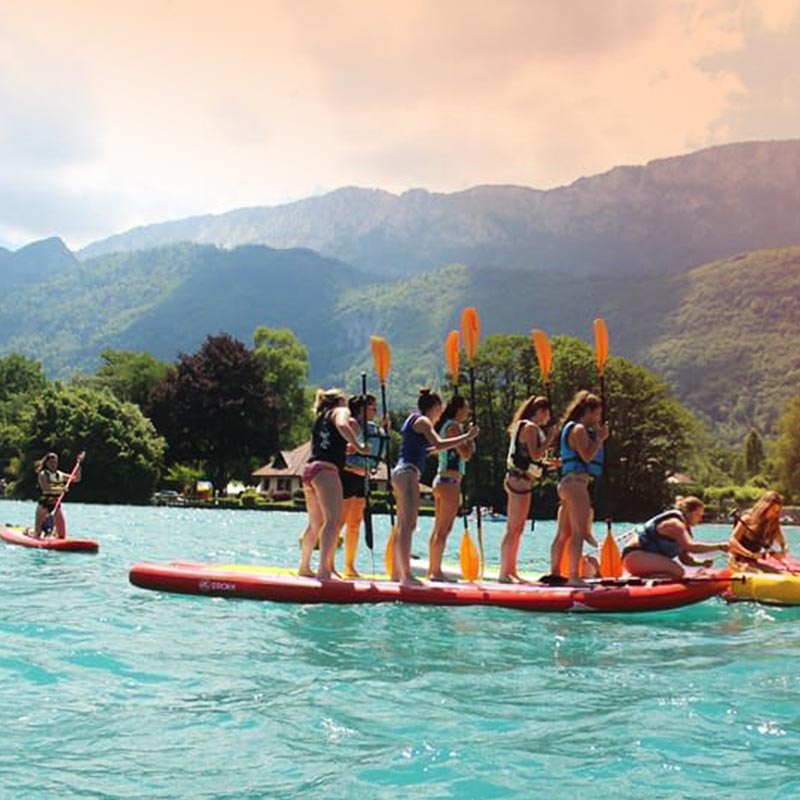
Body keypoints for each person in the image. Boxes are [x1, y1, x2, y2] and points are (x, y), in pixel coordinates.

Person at [392, 389, 479, 585]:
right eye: (440, 408)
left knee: (404, 525)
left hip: (402, 472)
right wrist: (467, 436)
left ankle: (397, 573)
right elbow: (439, 444)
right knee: (408, 525)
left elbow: (428, 447)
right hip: (408, 472)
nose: (441, 413)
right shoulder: (423, 421)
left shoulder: (414, 421)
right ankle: (406, 576)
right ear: (436, 407)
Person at [298, 389, 368, 579]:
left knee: (315, 523)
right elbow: (343, 425)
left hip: (310, 470)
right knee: (332, 521)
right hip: (326, 471)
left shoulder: (320, 418)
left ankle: (304, 567)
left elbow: (325, 445)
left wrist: (348, 448)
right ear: (339, 400)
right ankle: (324, 570)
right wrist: (360, 446)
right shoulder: (340, 411)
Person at [547, 391, 608, 586]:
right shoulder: (580, 430)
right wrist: (600, 438)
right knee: (578, 532)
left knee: (563, 533)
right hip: (576, 485)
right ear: (588, 411)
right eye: (597, 413)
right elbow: (587, 456)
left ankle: (555, 573)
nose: (598, 418)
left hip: (567, 484)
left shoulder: (572, 427)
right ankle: (574, 577)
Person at [498, 396, 559, 583]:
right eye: (547, 412)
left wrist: (550, 465)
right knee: (514, 528)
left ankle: (510, 571)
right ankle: (505, 573)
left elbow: (530, 458)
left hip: (518, 479)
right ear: (541, 411)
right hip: (519, 481)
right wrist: (550, 438)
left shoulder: (523, 426)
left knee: (516, 528)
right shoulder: (531, 427)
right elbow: (536, 453)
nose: (549, 417)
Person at [338, 393, 387, 577]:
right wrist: (354, 447)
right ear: (362, 409)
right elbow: (338, 448)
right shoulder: (352, 423)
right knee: (340, 521)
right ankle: (328, 564)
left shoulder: (372, 428)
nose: (375, 411)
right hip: (347, 475)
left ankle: (350, 566)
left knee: (355, 524)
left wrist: (384, 430)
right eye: (372, 408)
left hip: (362, 477)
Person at [621, 496, 728, 578]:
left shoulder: (684, 528)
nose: (700, 519)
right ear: (689, 513)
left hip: (641, 560)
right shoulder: (675, 524)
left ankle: (644, 577)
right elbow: (691, 547)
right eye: (698, 515)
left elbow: (684, 558)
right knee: (677, 572)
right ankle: (641, 582)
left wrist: (701, 563)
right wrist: (719, 546)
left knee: (678, 571)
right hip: (634, 558)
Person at [427, 395, 474, 581]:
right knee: (443, 529)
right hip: (450, 482)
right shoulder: (454, 427)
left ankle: (433, 569)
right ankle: (436, 572)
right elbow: (466, 454)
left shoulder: (447, 426)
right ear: (459, 408)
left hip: (442, 480)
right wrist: (470, 438)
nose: (468, 411)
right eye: (466, 407)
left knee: (439, 528)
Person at [727, 490, 788, 570]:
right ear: (765, 507)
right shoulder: (747, 519)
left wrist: (783, 551)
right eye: (773, 510)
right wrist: (750, 554)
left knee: (777, 572)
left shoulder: (771, 523)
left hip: (753, 561)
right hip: (737, 560)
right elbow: (732, 541)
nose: (775, 514)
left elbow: (783, 543)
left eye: (777, 511)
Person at [34, 451, 84, 538]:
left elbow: (76, 479)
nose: (53, 464)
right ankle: (37, 533)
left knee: (62, 535)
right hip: (44, 505)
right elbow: (46, 488)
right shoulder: (43, 474)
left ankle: (51, 535)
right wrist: (62, 489)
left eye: (55, 462)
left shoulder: (60, 474)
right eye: (51, 462)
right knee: (37, 534)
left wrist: (78, 465)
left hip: (56, 506)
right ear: (46, 463)